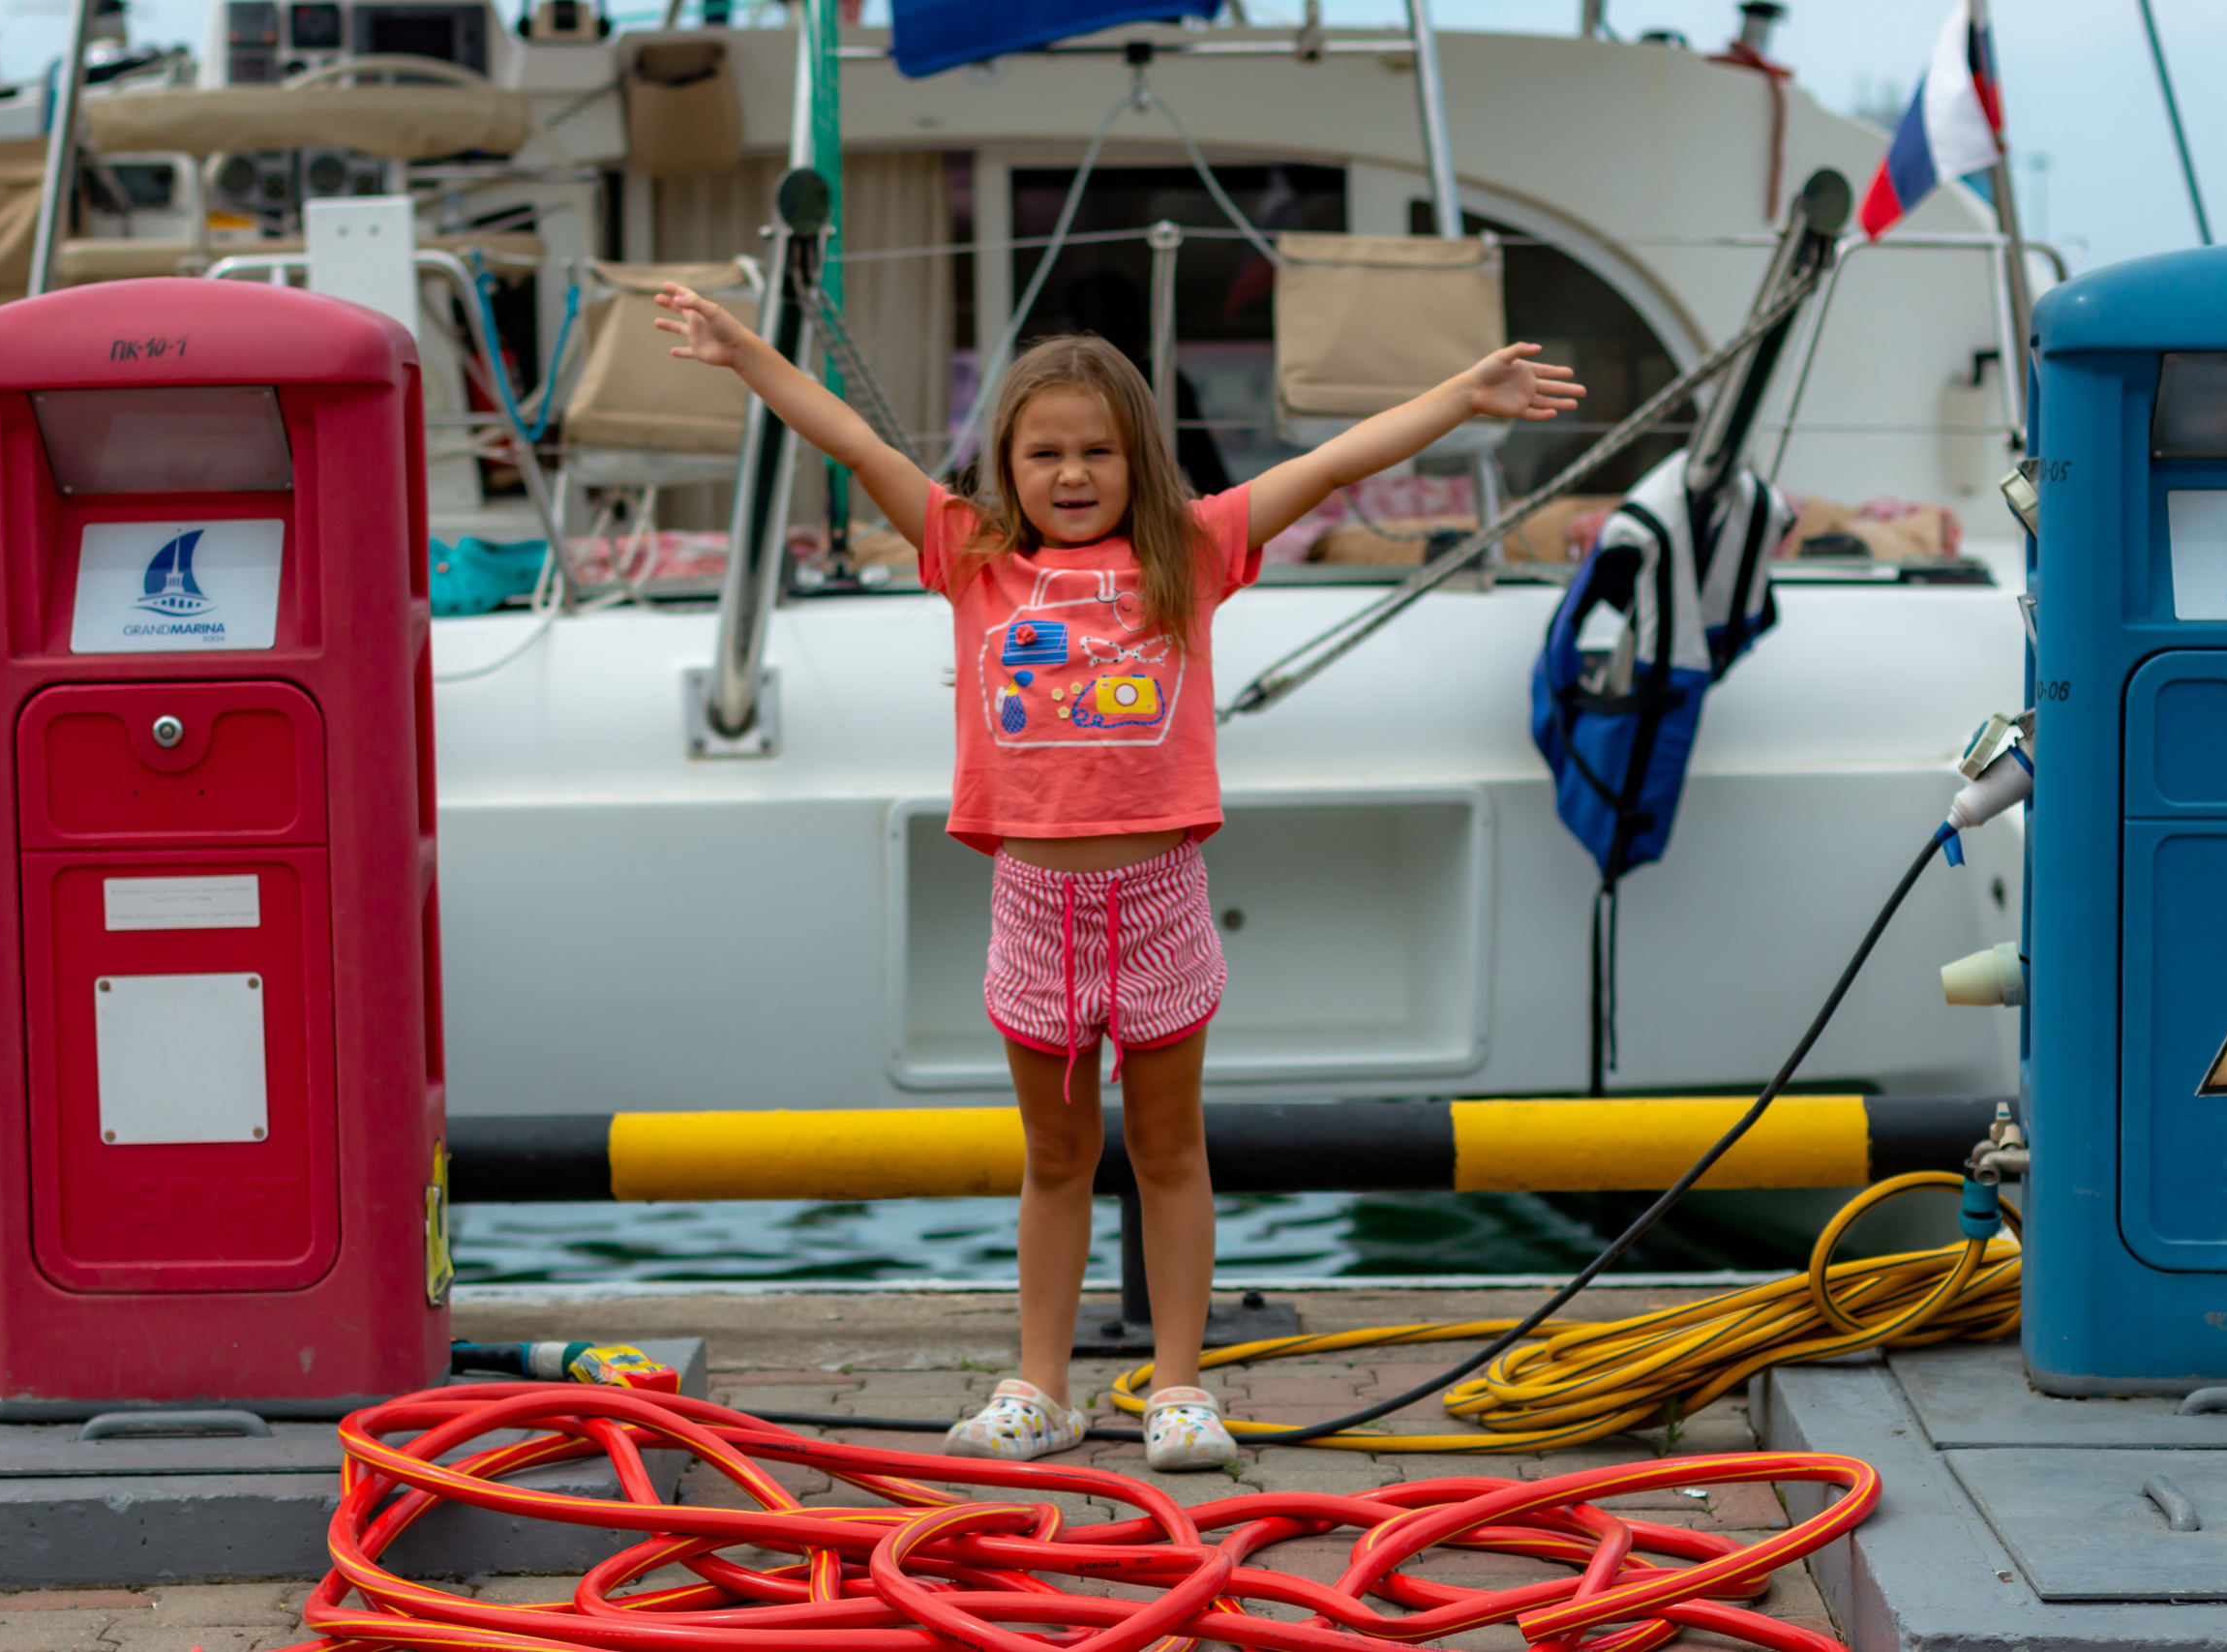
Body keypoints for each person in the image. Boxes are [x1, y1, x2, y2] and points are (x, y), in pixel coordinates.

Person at [653, 285, 1580, 1471]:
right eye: (1044, 453)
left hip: (1158, 903)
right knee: (1053, 1158)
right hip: (1033, 908)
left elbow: (1334, 463)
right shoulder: (971, 558)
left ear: (1140, 460)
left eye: (1097, 450)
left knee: (1168, 1150)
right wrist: (745, 356)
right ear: (1006, 463)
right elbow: (851, 439)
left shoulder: (1190, 554)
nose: (1072, 473)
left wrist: (1461, 396)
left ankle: (1180, 1390)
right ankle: (1040, 1386)